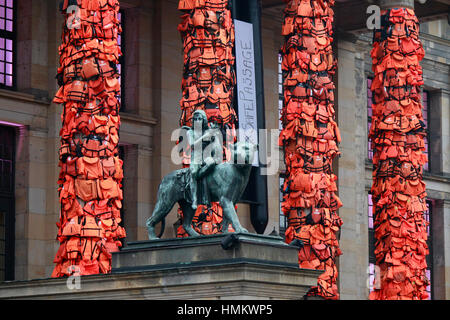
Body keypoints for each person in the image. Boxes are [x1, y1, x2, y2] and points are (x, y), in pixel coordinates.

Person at [182, 110, 222, 209]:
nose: (197, 121)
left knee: (212, 163)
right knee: (194, 172)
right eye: (195, 119)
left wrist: (214, 135)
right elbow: (192, 145)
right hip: (196, 157)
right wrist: (204, 137)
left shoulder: (208, 131)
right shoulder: (190, 132)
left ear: (204, 120)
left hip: (207, 156)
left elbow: (215, 145)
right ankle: (195, 199)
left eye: (199, 119)